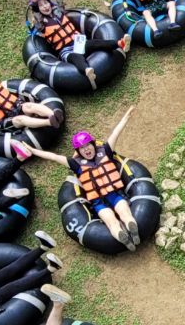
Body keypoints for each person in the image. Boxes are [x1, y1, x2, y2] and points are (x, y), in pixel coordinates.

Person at [23, 107, 140, 250]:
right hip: (99, 202)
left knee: (122, 214)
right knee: (113, 220)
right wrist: (33, 150)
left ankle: (131, 231)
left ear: (93, 144)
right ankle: (124, 236)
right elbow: (53, 157)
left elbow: (115, 133)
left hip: (114, 195)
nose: (86, 149)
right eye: (82, 148)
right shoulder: (76, 164)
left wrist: (127, 116)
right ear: (78, 152)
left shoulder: (106, 151)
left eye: (88, 145)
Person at [22, 0, 130, 89]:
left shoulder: (58, 12)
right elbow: (36, 13)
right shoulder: (41, 23)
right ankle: (87, 70)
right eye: (41, 6)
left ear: (49, 3)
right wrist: (33, 1)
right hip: (66, 51)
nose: (45, 6)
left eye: (46, 3)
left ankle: (120, 43)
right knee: (76, 58)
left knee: (96, 43)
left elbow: (59, 0)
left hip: (79, 42)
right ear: (39, 9)